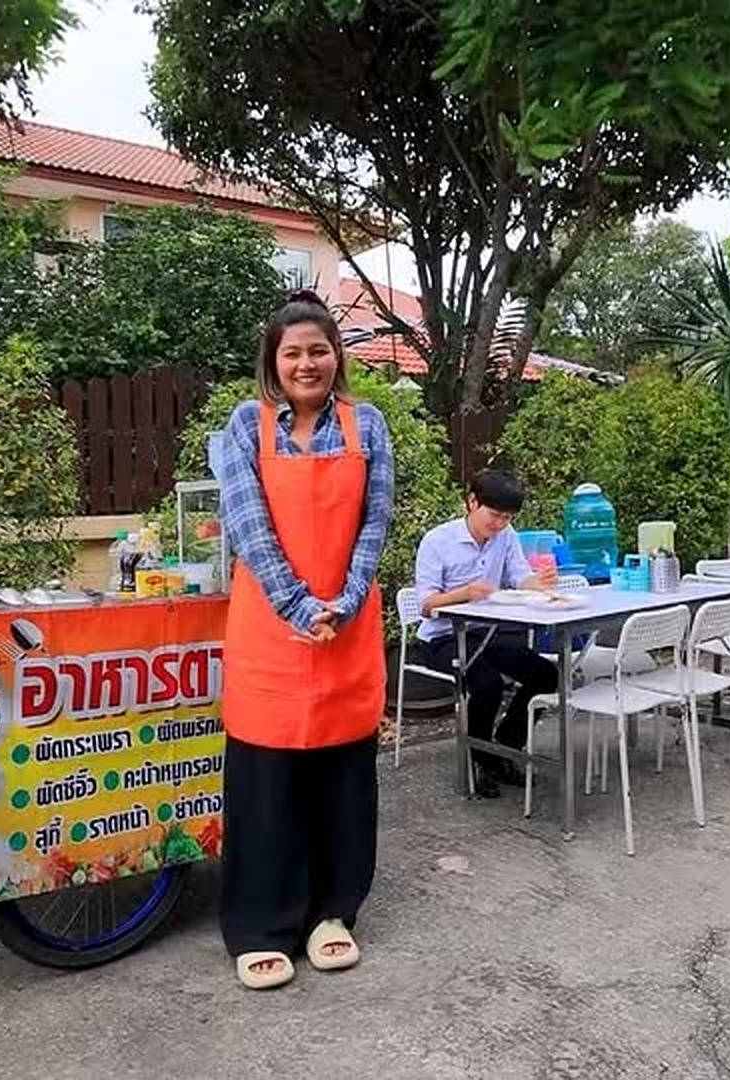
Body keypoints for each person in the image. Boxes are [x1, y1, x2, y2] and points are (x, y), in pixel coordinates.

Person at [210, 289, 394, 991]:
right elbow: (246, 522)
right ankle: (261, 927)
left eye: (319, 350)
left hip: (345, 625)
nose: (306, 363)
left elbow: (375, 519)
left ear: (336, 357)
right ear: (274, 360)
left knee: (343, 780)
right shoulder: (245, 425)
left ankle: (332, 912)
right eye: (293, 353)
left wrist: (343, 602)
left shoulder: (367, 424)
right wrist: (296, 603)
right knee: (268, 782)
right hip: (271, 628)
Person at [414, 469, 560, 799]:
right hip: (442, 637)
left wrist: (540, 582)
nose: (499, 524)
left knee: (546, 675)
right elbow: (426, 605)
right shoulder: (438, 541)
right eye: (494, 515)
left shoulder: (506, 535)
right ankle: (481, 759)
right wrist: (465, 592)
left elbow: (520, 577)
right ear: (472, 502)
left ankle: (506, 746)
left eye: (507, 518)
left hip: (488, 632)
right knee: (487, 684)